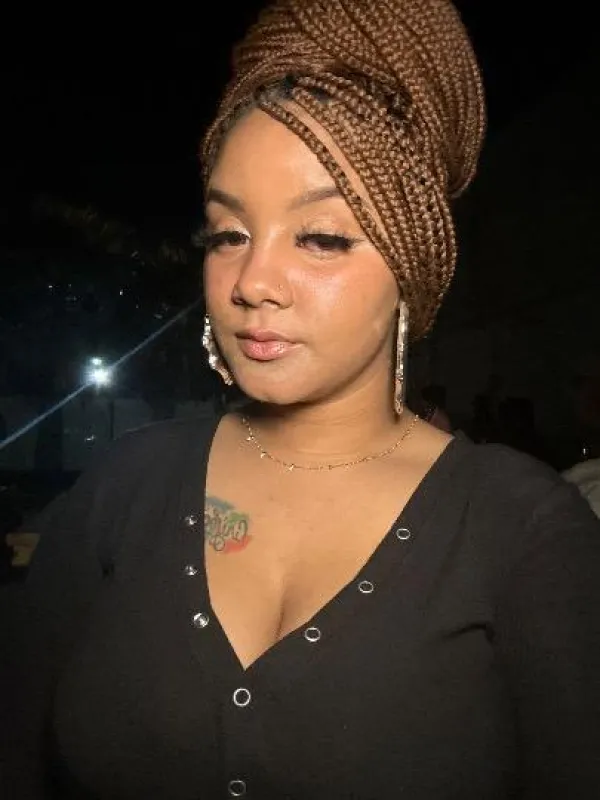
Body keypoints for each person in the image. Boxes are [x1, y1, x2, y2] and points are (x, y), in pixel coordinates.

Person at [4, 1, 600, 798]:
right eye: (228, 235)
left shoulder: (524, 527)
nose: (252, 282)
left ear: (412, 269)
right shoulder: (124, 485)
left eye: (321, 238)